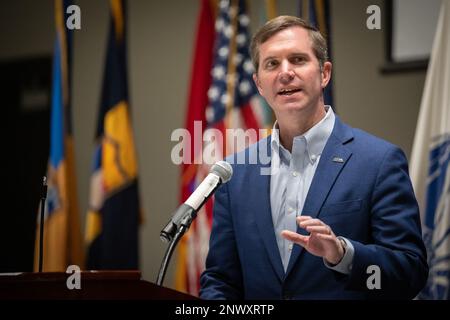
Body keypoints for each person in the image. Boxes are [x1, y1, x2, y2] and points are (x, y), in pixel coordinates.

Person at [199, 16, 428, 300]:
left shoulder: (379, 162)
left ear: (324, 74)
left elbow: (410, 272)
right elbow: (221, 280)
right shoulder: (235, 173)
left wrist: (343, 253)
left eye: (297, 59)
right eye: (272, 64)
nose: (285, 73)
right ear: (259, 84)